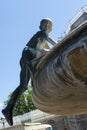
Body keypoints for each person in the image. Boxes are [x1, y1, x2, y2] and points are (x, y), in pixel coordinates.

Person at [2, 18, 57, 126]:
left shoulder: (43, 40)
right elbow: (54, 44)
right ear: (41, 27)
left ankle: (8, 109)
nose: (46, 27)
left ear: (50, 28)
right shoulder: (42, 34)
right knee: (39, 69)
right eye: (44, 24)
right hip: (28, 54)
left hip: (25, 58)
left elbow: (48, 48)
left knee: (23, 86)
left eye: (48, 25)